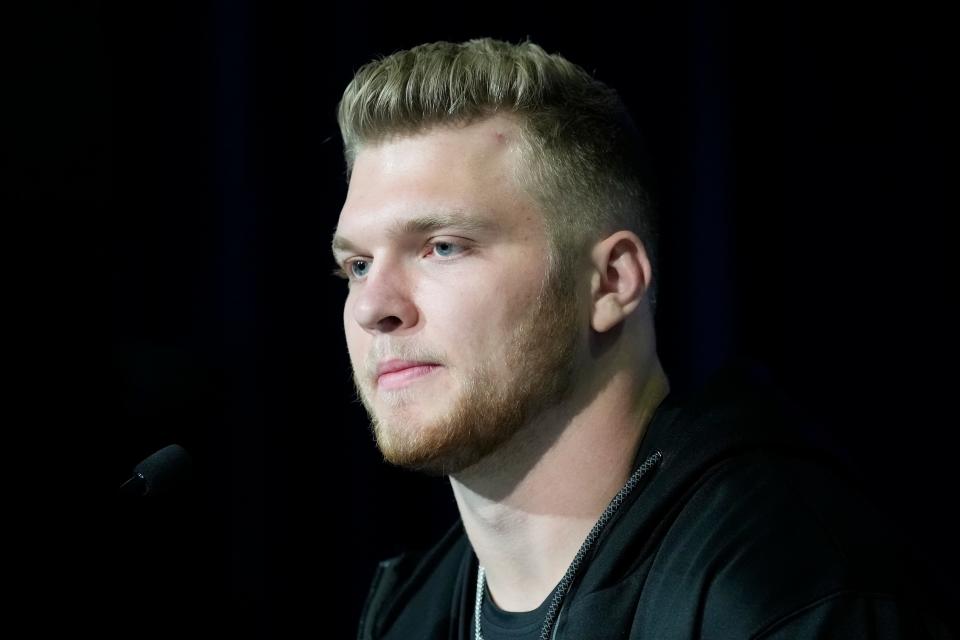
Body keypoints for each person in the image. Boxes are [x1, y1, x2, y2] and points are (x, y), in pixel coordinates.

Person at [331, 38, 954, 639]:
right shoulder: (411, 614)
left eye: (443, 247)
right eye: (357, 265)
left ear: (611, 282)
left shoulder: (784, 587)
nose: (373, 307)